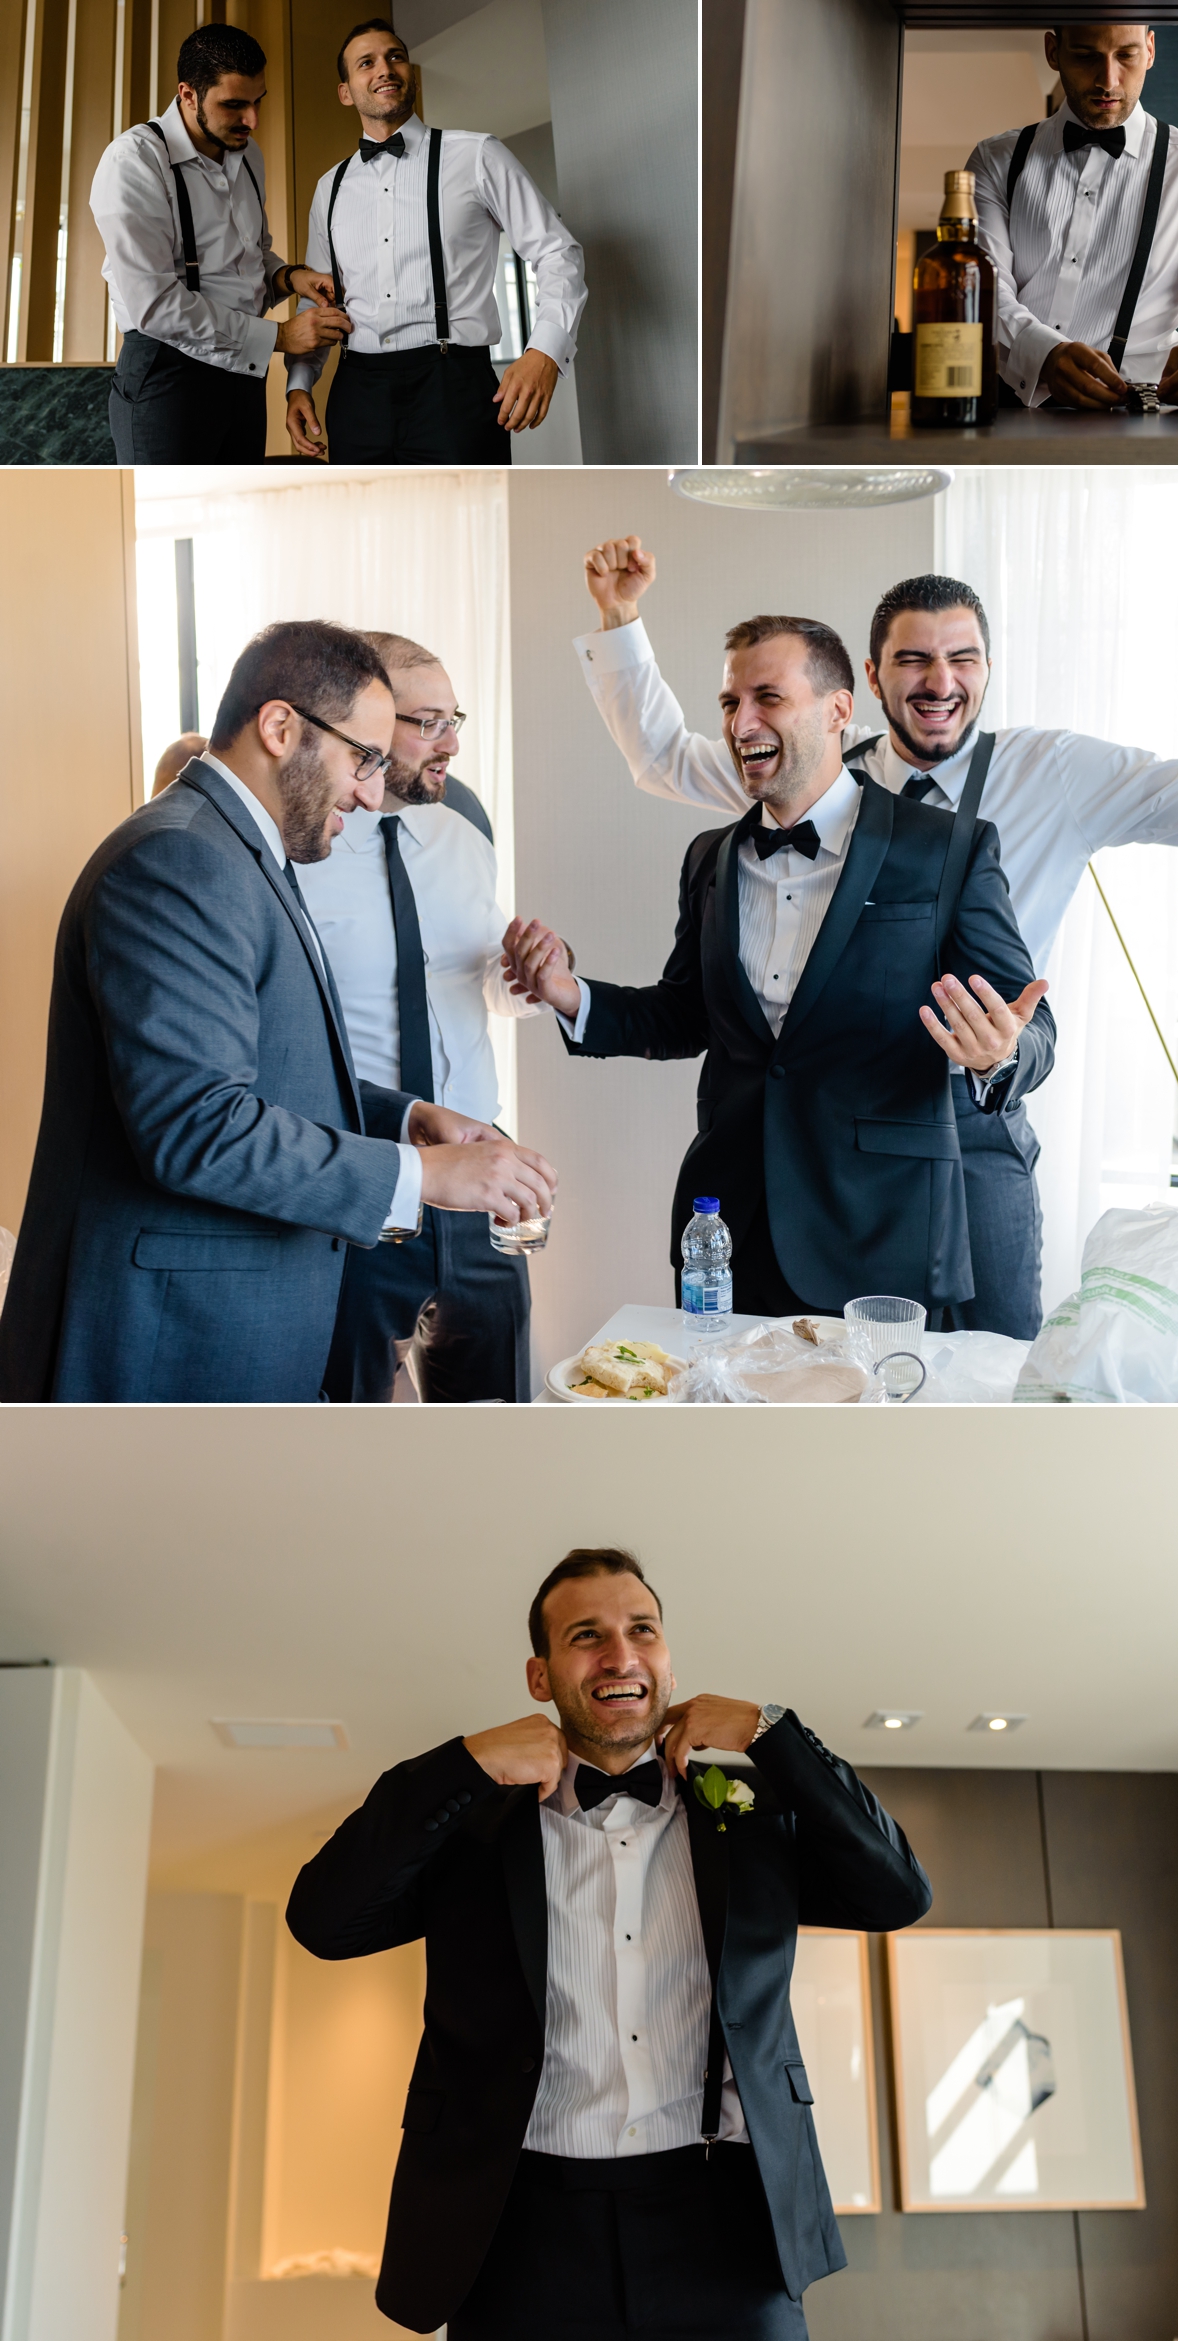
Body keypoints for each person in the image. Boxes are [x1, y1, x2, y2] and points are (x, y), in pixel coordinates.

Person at [571, 530, 1178, 1336]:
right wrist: (621, 619)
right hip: (837, 1141)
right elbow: (667, 756)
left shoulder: (1055, 771)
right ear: (870, 680)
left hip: (982, 1117)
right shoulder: (810, 764)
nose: (940, 681)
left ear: (987, 668)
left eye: (964, 658)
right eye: (913, 659)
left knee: (991, 1376)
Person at [287, 1545, 931, 2338]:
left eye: (642, 1629)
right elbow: (323, 1920)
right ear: (541, 1675)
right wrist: (464, 1763)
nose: (620, 1654)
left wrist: (773, 1734)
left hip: (726, 2219)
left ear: (666, 1655)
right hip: (517, 2229)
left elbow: (900, 1892)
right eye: (586, 1634)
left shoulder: (756, 1814)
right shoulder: (469, 1827)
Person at [0, 622, 555, 1406]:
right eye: (362, 758)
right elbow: (198, 1124)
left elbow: (265, 1073)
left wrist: (404, 1118)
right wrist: (420, 1173)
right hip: (167, 1338)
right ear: (281, 727)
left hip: (224, 1324)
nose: (370, 791)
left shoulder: (242, 852)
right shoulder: (180, 860)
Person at [505, 616, 1054, 1324]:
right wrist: (568, 994)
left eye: (769, 698)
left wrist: (1002, 1054)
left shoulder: (949, 848)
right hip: (726, 1226)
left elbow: (1030, 1026)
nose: (743, 722)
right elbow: (682, 1015)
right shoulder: (710, 857)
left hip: (881, 1235)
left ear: (838, 710)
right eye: (731, 703)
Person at [296, 632, 539, 1404]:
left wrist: (527, 977)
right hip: (365, 1180)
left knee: (496, 1415)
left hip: (480, 1170)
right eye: (427, 722)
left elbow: (475, 985)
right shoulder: (294, 857)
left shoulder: (466, 834)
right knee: (352, 1431)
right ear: (363, 726)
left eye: (452, 719)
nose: (452, 744)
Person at [284, 19, 586, 464]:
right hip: (356, 395)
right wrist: (298, 385)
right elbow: (318, 301)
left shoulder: (478, 154)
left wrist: (545, 350)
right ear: (346, 91)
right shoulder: (329, 187)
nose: (385, 68)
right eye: (366, 63)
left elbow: (557, 252)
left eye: (395, 57)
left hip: (455, 388)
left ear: (412, 75)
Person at [90, 25, 351, 463]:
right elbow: (154, 306)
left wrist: (290, 277)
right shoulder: (134, 160)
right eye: (234, 105)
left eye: (257, 102)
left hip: (242, 377)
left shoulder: (249, 155)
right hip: (166, 377)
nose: (252, 120)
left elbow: (250, 258)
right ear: (188, 95)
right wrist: (281, 336)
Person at [966, 23, 1178, 410]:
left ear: (1150, 50)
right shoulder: (995, 161)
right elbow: (983, 289)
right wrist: (1044, 355)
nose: (1108, 80)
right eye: (1087, 55)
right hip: (1007, 411)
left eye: (1126, 55)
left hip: (1145, 421)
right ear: (1053, 51)